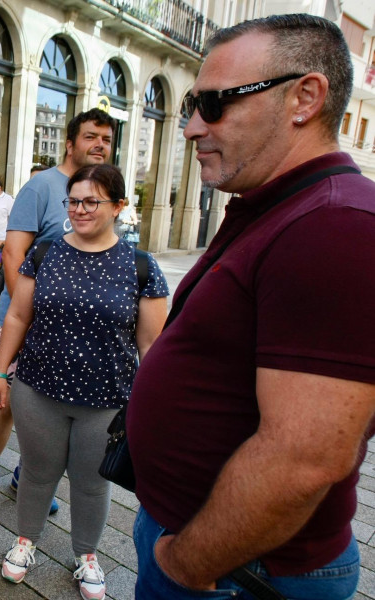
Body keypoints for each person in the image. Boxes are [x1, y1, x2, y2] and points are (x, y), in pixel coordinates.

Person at [128, 14, 375, 599]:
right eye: (190, 103)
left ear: (304, 98)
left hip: (236, 567)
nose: (190, 127)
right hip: (217, 551)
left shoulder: (335, 225)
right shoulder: (283, 206)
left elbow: (304, 459)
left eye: (213, 103)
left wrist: (185, 564)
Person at [0, 164, 168, 598]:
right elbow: (17, 315)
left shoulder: (141, 267)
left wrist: (154, 407)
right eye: (73, 201)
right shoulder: (46, 252)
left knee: (91, 483)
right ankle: (26, 540)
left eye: (92, 201)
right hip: (37, 390)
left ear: (119, 207)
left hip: (105, 401)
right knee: (36, 472)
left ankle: (86, 553)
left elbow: (154, 348)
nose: (80, 209)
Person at [0, 109, 116, 522]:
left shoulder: (102, 191)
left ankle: (26, 476)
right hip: (26, 320)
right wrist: (24, 315)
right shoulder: (42, 186)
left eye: (106, 137)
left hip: (69, 333)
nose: (99, 144)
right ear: (70, 143)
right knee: (6, 403)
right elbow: (13, 254)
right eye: (90, 136)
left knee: (46, 407)